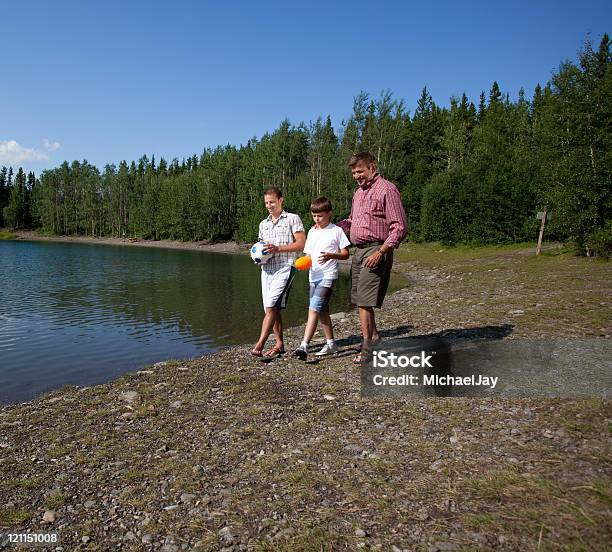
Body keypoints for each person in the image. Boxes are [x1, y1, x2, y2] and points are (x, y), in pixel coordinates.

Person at [336, 152, 408, 364]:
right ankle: (374, 337)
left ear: (373, 167)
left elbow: (399, 227)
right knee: (360, 300)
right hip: (359, 251)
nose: (356, 175)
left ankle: (368, 346)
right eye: (353, 172)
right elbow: (351, 220)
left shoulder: (387, 189)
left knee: (365, 301)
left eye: (360, 171)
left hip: (376, 249)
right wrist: (329, 228)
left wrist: (382, 252)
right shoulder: (358, 193)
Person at [293, 197, 350, 360]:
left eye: (320, 216)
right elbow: (308, 254)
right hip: (314, 276)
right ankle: (331, 343)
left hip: (328, 276)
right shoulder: (312, 231)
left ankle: (304, 345)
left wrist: (332, 255)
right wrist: (303, 263)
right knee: (322, 311)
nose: (317, 219)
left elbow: (345, 254)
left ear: (329, 214)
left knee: (313, 309)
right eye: (314, 216)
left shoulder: (336, 231)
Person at [251, 186, 305, 358]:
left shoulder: (292, 219)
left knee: (272, 305)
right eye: (266, 203)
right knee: (271, 309)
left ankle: (260, 344)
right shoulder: (263, 224)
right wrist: (259, 259)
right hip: (267, 271)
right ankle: (280, 344)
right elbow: (261, 247)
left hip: (286, 267)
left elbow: (301, 244)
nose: (269, 205)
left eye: (272, 202)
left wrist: (278, 249)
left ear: (281, 200)